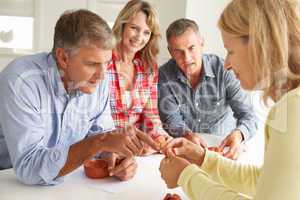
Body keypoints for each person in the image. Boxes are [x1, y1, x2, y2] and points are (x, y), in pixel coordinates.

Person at [0, 9, 159, 185]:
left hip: (65, 184)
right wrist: (100, 142)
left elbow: (100, 136)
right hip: (9, 182)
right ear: (63, 57)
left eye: (106, 63)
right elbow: (29, 168)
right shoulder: (21, 81)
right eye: (92, 64)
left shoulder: (97, 82)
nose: (101, 75)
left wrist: (114, 155)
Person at [159, 0, 300, 199]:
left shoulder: (294, 108)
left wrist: (186, 175)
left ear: (260, 45)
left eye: (230, 51)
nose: (227, 64)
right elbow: (261, 181)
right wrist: (202, 157)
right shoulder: (290, 103)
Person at [158, 18, 257, 159]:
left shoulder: (223, 70)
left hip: (224, 151)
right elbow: (171, 120)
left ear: (201, 43)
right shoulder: (164, 75)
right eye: (178, 52)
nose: (186, 58)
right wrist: (187, 134)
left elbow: (248, 115)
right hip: (188, 152)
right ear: (170, 52)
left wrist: (239, 134)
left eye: (191, 48)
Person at [102, 0, 170, 174]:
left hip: (136, 152)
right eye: (134, 28)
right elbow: (92, 119)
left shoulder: (148, 67)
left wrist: (160, 139)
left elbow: (151, 114)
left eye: (147, 32)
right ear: (122, 25)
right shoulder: (102, 60)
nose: (140, 37)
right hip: (103, 149)